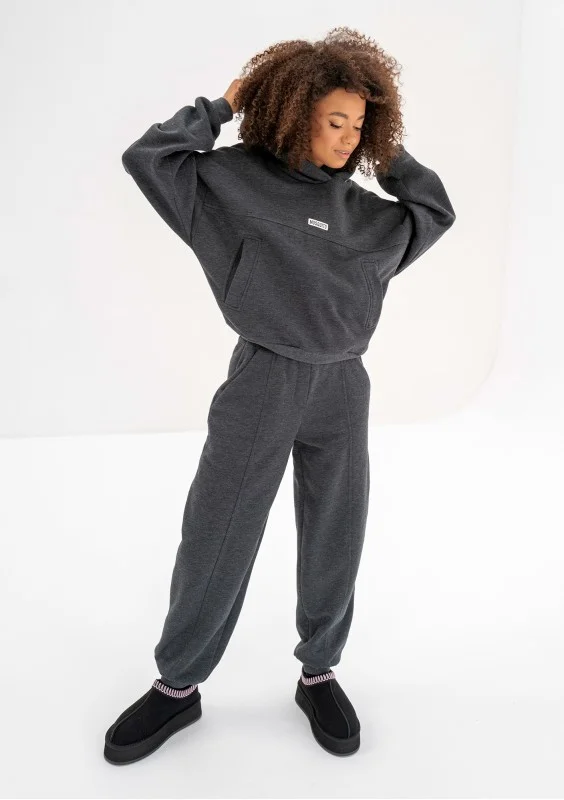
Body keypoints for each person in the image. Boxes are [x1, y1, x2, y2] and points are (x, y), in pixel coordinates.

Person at [104, 25, 456, 764]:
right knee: (219, 529)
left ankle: (318, 672)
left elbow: (434, 211)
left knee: (336, 532)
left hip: (344, 385)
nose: (348, 138)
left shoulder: (368, 213)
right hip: (264, 377)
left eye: (360, 125)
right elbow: (150, 158)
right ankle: (178, 686)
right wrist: (223, 106)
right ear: (294, 114)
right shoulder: (232, 182)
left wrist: (386, 153)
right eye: (335, 121)